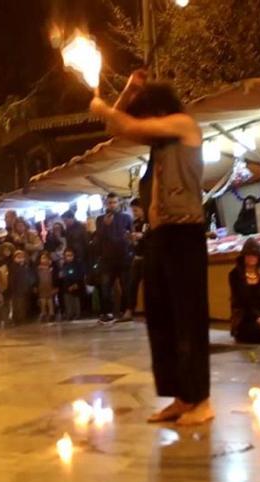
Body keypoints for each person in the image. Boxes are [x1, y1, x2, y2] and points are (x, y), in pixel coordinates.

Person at [91, 70, 212, 425]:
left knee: (188, 319)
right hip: (159, 236)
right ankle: (180, 396)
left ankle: (201, 400)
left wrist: (102, 107)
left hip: (185, 233)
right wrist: (126, 91)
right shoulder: (160, 144)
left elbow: (128, 126)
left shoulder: (184, 124)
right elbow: (119, 128)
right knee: (161, 320)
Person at [94, 193, 134, 323]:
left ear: (118, 203)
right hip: (107, 259)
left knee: (126, 286)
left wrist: (129, 246)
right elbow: (98, 238)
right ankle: (108, 313)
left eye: (114, 202)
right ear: (106, 203)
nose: (112, 205)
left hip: (123, 257)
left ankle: (126, 311)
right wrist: (105, 226)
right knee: (106, 287)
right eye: (110, 202)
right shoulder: (100, 219)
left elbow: (131, 235)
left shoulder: (126, 218)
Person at [124, 198, 149, 321]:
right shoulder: (136, 223)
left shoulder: (150, 221)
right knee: (132, 285)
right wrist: (132, 239)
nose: (134, 213)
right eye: (133, 211)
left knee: (149, 286)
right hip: (137, 257)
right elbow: (134, 242)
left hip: (148, 257)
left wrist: (143, 236)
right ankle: (129, 310)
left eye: (136, 210)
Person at [8, 250, 35, 325]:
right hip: (16, 290)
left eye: (22, 257)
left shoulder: (26, 266)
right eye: (18, 257)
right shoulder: (13, 267)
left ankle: (22, 319)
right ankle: (18, 319)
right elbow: (12, 279)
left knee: (23, 305)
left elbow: (30, 277)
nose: (20, 259)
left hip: (25, 289)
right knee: (17, 305)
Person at [59, 248, 85, 321]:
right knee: (68, 301)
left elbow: (80, 275)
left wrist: (76, 284)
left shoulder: (77, 264)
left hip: (75, 285)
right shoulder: (64, 265)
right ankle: (69, 314)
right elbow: (62, 275)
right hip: (66, 286)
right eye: (67, 255)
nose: (69, 257)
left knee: (75, 301)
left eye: (70, 255)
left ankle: (77, 314)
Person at [36, 252, 58, 322]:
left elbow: (55, 278)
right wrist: (35, 286)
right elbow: (36, 278)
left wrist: (55, 286)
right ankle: (43, 313)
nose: (44, 260)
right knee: (42, 300)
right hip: (41, 286)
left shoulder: (52, 269)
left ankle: (51, 313)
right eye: (42, 258)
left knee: (50, 300)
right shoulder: (38, 269)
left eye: (46, 258)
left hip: (50, 286)